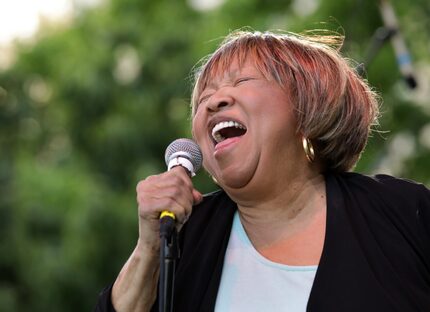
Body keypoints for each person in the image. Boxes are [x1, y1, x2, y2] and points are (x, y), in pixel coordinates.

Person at [95, 29, 430, 312]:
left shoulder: (404, 213)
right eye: (204, 99)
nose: (214, 102)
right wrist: (150, 247)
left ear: (308, 103)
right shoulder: (183, 238)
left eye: (241, 81)